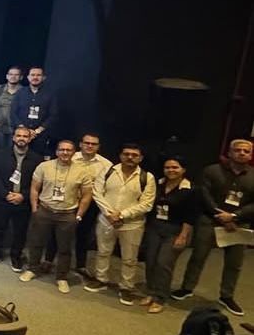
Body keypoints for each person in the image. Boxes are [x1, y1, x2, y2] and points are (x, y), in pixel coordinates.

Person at [172, 138, 253, 316]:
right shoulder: (212, 170)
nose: (242, 153)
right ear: (230, 152)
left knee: (234, 263)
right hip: (209, 220)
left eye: (246, 151)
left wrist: (234, 216)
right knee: (198, 257)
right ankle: (187, 288)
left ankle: (227, 296)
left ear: (250, 155)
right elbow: (204, 194)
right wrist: (221, 215)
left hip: (238, 225)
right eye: (238, 150)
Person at [19, 140, 94, 294]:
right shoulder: (44, 166)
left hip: (67, 215)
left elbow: (87, 196)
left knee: (65, 248)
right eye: (62, 150)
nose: (65, 153)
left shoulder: (82, 171)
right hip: (44, 211)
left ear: (74, 152)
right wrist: (34, 208)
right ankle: (33, 268)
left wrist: (78, 216)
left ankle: (61, 277)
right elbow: (34, 188)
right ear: (56, 151)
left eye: (68, 150)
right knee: (36, 242)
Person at [86, 143, 156, 304]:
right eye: (126, 154)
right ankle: (101, 279)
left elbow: (147, 204)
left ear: (140, 158)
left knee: (130, 258)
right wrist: (109, 214)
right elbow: (97, 193)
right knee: (103, 251)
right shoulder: (108, 171)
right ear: (120, 155)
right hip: (106, 220)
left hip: (132, 224)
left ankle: (126, 287)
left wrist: (122, 215)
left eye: (134, 155)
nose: (130, 157)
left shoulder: (147, 177)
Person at [142, 157, 197, 314]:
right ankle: (151, 292)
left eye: (175, 167)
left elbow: (191, 216)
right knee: (151, 261)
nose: (171, 170)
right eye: (167, 167)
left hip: (176, 230)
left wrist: (183, 235)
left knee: (163, 263)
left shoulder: (190, 189)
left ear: (183, 169)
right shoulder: (158, 184)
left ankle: (160, 297)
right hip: (155, 228)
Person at [0, 126, 42, 270]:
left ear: (29, 139)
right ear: (13, 138)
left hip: (23, 201)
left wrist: (23, 195)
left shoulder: (37, 159)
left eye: (25, 136)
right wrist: (5, 194)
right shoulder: (1, 154)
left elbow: (40, 183)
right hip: (2, 200)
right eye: (18, 135)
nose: (21, 138)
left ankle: (16, 256)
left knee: (20, 231)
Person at [65, 132, 112, 273]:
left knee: (83, 235)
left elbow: (107, 187)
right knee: (60, 233)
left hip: (90, 204)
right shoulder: (70, 157)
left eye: (93, 144)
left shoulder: (106, 164)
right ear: (81, 144)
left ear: (98, 147)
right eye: (87, 143)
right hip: (68, 200)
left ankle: (80, 265)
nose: (90, 146)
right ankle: (50, 261)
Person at [10, 66, 58, 154]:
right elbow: (13, 113)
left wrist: (37, 131)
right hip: (21, 135)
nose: (35, 77)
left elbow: (53, 115)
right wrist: (24, 130)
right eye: (32, 75)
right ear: (28, 77)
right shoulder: (20, 92)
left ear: (43, 77)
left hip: (40, 136)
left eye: (38, 75)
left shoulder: (50, 95)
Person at [0, 67, 22, 148]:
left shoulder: (24, 92)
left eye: (16, 75)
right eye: (11, 74)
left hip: (15, 129)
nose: (13, 76)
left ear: (21, 77)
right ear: (7, 76)